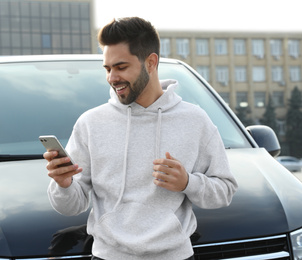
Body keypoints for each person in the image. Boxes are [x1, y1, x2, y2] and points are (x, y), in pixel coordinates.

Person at [44, 17, 238, 260]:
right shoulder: (91, 123)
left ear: (151, 62)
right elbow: (71, 206)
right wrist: (63, 185)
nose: (112, 77)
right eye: (107, 68)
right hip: (107, 256)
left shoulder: (194, 120)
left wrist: (188, 182)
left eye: (121, 67)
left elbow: (225, 191)